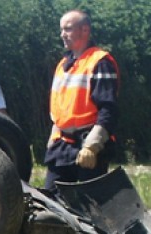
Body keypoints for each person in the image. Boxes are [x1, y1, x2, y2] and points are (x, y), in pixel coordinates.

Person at [43, 10, 119, 191]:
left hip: (88, 143)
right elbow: (58, 110)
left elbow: (108, 109)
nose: (62, 34)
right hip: (62, 145)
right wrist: (53, 139)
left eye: (68, 29)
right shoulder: (63, 65)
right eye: (62, 30)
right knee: (52, 202)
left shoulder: (99, 61)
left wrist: (92, 146)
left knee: (92, 205)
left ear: (84, 30)